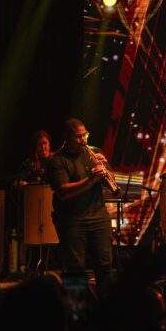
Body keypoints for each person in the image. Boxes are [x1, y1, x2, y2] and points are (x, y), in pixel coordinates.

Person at [46, 118, 113, 290]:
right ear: (66, 137)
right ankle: (76, 304)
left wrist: (105, 168)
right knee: (75, 269)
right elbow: (63, 192)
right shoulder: (57, 160)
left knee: (105, 265)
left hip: (98, 216)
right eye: (78, 136)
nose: (83, 140)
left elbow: (111, 183)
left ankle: (106, 302)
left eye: (85, 135)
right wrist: (91, 178)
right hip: (72, 220)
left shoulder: (94, 152)